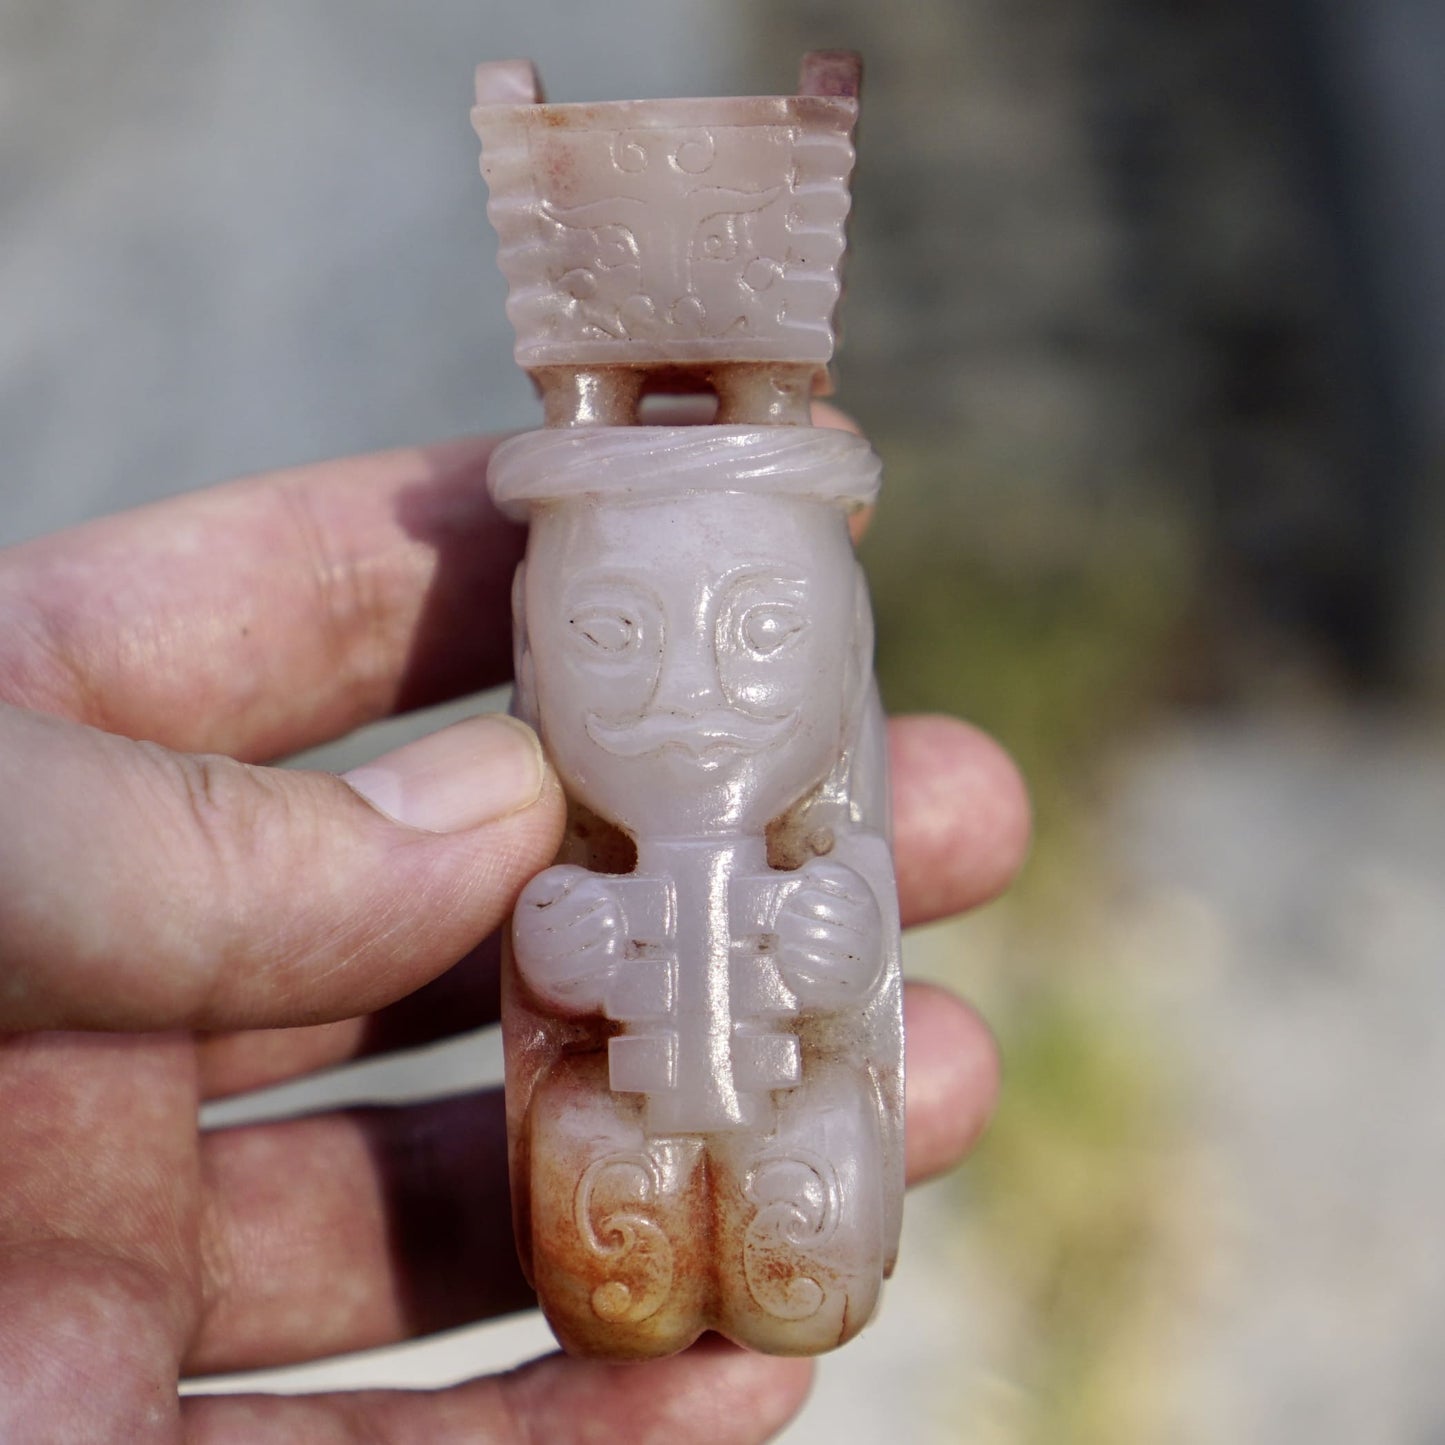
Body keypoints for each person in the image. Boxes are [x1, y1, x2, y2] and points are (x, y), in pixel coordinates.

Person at [0, 431, 1029, 1443]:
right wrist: (570, 939)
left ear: (841, 643)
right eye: (611, 635)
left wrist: (829, 935)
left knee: (828, 1145)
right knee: (595, 1175)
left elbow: (853, 974)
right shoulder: (572, 855)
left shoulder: (814, 845)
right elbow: (551, 967)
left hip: (781, 1094)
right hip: (625, 1111)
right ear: (535, 644)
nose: (684, 695)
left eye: (760, 634)